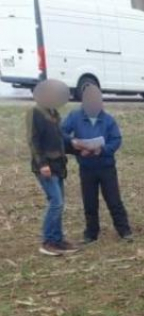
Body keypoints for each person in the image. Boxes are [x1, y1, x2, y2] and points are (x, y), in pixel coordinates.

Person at [62, 85, 133, 243]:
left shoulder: (108, 120)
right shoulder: (74, 117)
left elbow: (116, 140)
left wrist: (103, 150)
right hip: (86, 167)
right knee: (89, 202)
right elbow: (61, 132)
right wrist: (74, 143)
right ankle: (91, 233)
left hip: (106, 167)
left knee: (113, 200)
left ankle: (124, 230)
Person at [27, 80, 77, 256]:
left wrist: (75, 145)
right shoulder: (35, 112)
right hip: (46, 166)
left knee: (59, 203)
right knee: (56, 202)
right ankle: (48, 241)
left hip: (58, 164)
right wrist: (42, 164)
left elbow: (59, 138)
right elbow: (33, 141)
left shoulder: (54, 113)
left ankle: (58, 240)